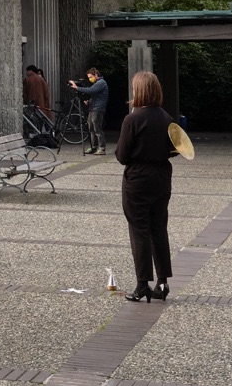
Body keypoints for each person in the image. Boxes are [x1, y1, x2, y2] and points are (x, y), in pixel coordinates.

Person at [113, 69, 174, 302]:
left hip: (138, 178)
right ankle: (163, 282)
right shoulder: (167, 118)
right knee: (159, 228)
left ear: (139, 91)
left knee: (139, 230)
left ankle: (142, 285)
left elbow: (122, 155)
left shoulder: (132, 119)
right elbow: (176, 149)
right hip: (162, 176)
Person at [69, 66, 108, 154]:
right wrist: (89, 101)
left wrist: (77, 88)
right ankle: (93, 146)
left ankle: (102, 148)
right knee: (91, 128)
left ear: (96, 75)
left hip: (98, 109)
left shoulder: (101, 83)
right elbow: (96, 96)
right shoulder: (97, 83)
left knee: (97, 128)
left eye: (91, 77)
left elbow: (91, 90)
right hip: (93, 108)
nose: (90, 79)